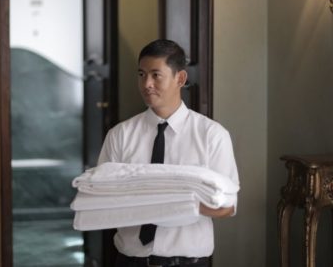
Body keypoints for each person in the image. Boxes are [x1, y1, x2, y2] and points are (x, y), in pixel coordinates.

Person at [97, 39, 239, 267]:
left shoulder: (211, 135)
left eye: (156, 75)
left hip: (188, 262)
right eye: (141, 74)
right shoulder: (120, 135)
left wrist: (178, 206)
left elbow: (227, 205)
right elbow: (101, 196)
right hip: (129, 261)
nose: (147, 84)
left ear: (180, 79)